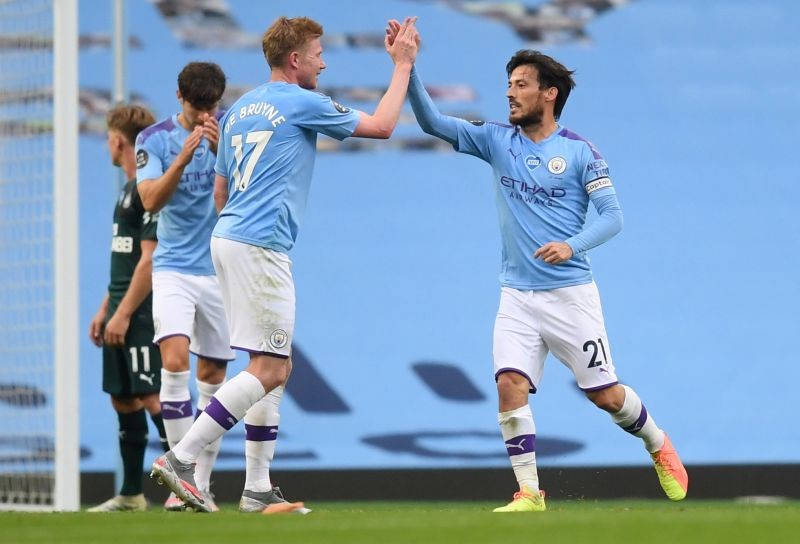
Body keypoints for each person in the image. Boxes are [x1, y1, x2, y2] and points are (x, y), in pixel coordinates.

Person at [150, 14, 421, 513]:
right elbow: (382, 126)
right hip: (260, 246)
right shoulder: (302, 102)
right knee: (272, 367)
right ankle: (181, 459)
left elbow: (220, 192)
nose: (324, 60)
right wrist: (402, 65)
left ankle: (256, 487)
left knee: (269, 363)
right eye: (318, 52)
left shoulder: (239, 110)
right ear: (295, 60)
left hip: (227, 238)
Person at [402, 43, 688, 512]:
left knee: (606, 396)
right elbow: (434, 123)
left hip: (569, 295)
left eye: (521, 85)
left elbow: (612, 217)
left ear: (549, 94)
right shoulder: (497, 141)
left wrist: (571, 245)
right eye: (508, 86)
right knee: (508, 383)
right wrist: (407, 68)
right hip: (516, 294)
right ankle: (531, 493)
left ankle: (657, 444)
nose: (510, 95)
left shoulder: (579, 152)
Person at [135, 62, 236, 511]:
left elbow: (242, 202)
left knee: (213, 378)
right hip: (173, 266)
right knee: (173, 360)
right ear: (180, 98)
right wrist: (184, 156)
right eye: (197, 109)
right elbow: (151, 199)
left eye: (211, 108)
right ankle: (181, 484)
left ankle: (200, 483)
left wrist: (221, 158)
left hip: (218, 268)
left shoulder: (232, 133)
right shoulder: (153, 139)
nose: (204, 117)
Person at [87, 104, 170, 512]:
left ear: (118, 140)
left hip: (140, 313)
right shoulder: (125, 189)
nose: (108, 142)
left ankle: (187, 487)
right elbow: (125, 258)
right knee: (124, 398)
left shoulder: (148, 191)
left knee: (153, 395)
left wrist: (123, 313)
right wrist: (106, 307)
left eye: (108, 136)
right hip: (120, 308)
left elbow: (150, 261)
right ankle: (132, 494)